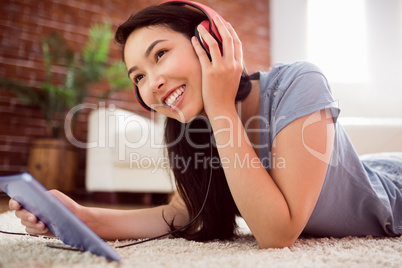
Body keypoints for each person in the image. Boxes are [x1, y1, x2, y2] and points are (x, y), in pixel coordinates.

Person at [9, 1, 402, 248]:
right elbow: (184, 213)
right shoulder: (194, 127)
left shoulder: (299, 82)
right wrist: (82, 217)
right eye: (138, 77)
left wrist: (220, 106)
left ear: (209, 40)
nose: (152, 84)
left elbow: (277, 233)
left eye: (160, 54)